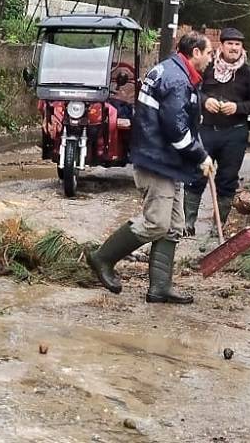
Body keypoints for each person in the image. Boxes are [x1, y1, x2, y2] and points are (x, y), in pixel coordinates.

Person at [87, 32, 215, 304]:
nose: (210, 58)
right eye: (208, 53)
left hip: (166, 161)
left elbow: (187, 123)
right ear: (195, 53)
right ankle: (103, 257)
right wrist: (200, 156)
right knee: (157, 223)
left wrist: (200, 154)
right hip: (157, 161)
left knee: (174, 225)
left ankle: (160, 287)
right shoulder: (177, 80)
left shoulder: (174, 72)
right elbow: (176, 129)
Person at [183, 27, 250, 237]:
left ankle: (217, 229)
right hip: (207, 130)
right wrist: (204, 101)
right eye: (230, 44)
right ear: (222, 45)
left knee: (227, 180)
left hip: (235, 134)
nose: (234, 48)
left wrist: (237, 108)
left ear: (242, 48)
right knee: (197, 174)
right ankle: (188, 224)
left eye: (238, 44)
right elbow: (192, 90)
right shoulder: (207, 68)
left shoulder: (248, 73)